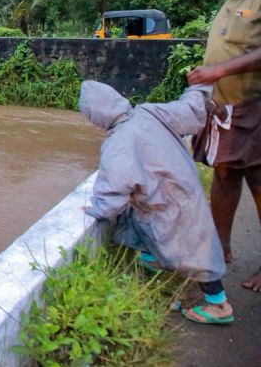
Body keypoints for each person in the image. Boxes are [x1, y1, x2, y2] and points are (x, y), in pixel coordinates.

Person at [79, 80, 233, 325]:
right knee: (193, 243)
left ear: (95, 116)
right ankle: (157, 260)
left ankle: (219, 306)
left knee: (198, 255)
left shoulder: (117, 144)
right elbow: (190, 110)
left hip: (165, 206)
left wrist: (96, 209)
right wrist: (199, 87)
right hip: (187, 192)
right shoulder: (150, 112)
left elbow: (112, 191)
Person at [187, 0, 261, 292]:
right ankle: (221, 247)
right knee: (225, 173)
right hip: (224, 108)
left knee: (259, 182)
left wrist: (218, 72)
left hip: (254, 105)